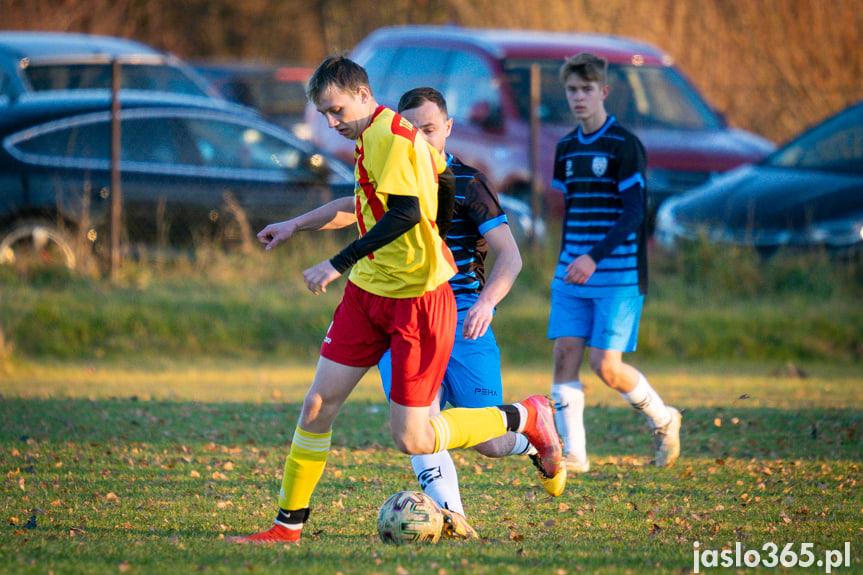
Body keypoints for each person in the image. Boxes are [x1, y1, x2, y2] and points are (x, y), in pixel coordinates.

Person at [228, 56, 564, 545]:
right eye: (324, 114)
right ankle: (287, 527)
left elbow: (405, 213)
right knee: (317, 404)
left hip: (417, 303)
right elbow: (361, 206)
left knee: (414, 436)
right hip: (367, 295)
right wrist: (296, 225)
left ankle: (528, 416)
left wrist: (335, 263)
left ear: (364, 96)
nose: (331, 123)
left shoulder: (394, 139)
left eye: (337, 110)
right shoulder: (371, 136)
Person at [377, 87, 533, 533]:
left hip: (463, 315)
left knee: (490, 443)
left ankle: (532, 430)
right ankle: (453, 516)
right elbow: (350, 212)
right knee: (415, 422)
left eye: (430, 129)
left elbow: (511, 256)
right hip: (405, 317)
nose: (421, 140)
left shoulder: (469, 183)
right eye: (411, 131)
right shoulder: (390, 180)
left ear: (447, 128)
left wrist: (486, 303)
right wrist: (297, 224)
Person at [548, 53, 681, 474]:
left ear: (603, 91)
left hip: (617, 273)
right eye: (572, 89)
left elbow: (634, 212)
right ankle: (574, 454)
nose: (579, 97)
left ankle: (664, 418)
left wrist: (593, 256)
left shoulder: (624, 145)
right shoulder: (566, 148)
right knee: (564, 356)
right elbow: (569, 209)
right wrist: (570, 258)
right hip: (572, 271)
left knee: (605, 366)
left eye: (587, 89)